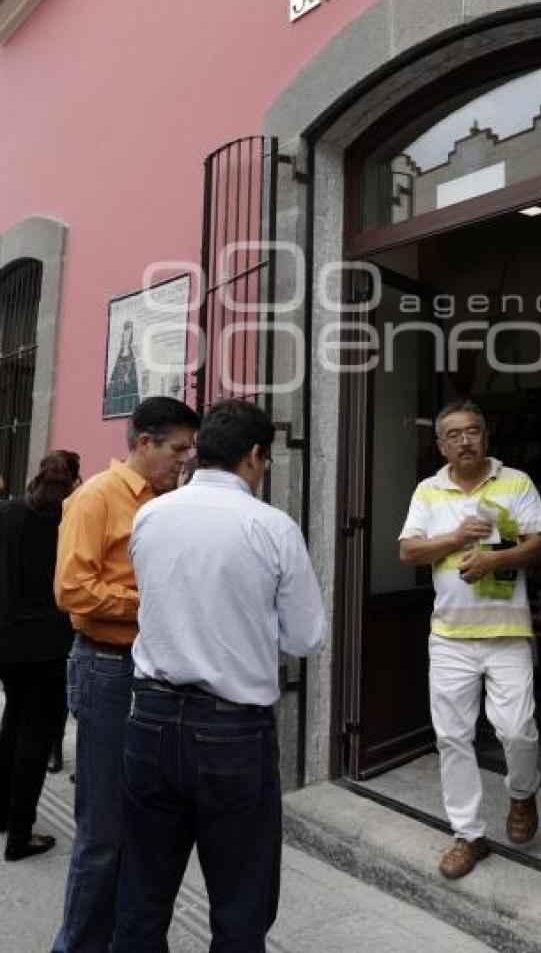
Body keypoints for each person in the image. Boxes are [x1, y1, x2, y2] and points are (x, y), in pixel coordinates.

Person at [110, 398, 325, 952]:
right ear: (256, 455)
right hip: (231, 732)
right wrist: (251, 623)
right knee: (239, 906)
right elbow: (304, 637)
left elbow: (161, 596)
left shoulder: (152, 514)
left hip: (150, 718)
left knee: (141, 894)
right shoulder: (273, 527)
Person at [52, 397, 199, 953]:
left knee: (146, 825)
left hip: (151, 672)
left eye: (191, 449)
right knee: (103, 833)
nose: (186, 459)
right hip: (107, 671)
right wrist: (151, 603)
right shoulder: (95, 498)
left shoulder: (169, 500)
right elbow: (72, 591)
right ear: (144, 444)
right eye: (178, 448)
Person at [399, 400, 541, 880]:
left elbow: (540, 546)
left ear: (486, 437)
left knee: (518, 730)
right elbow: (408, 551)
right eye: (455, 434)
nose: (465, 441)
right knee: (452, 737)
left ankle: (523, 794)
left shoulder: (517, 481)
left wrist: (494, 561)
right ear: (440, 444)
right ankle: (468, 834)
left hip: (507, 633)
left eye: (473, 432)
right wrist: (456, 538)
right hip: (450, 636)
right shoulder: (428, 491)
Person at [0, 450, 81, 861]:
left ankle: (3, 813)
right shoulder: (67, 523)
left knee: (12, 722)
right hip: (48, 644)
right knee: (35, 735)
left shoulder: (9, 513)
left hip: (8, 640)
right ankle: (20, 834)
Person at [104, 321, 140, 417]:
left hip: (129, 385)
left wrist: (128, 375)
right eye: (125, 333)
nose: (127, 336)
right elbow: (116, 367)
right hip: (118, 383)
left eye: (129, 333)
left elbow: (137, 365)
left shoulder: (133, 350)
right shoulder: (119, 351)